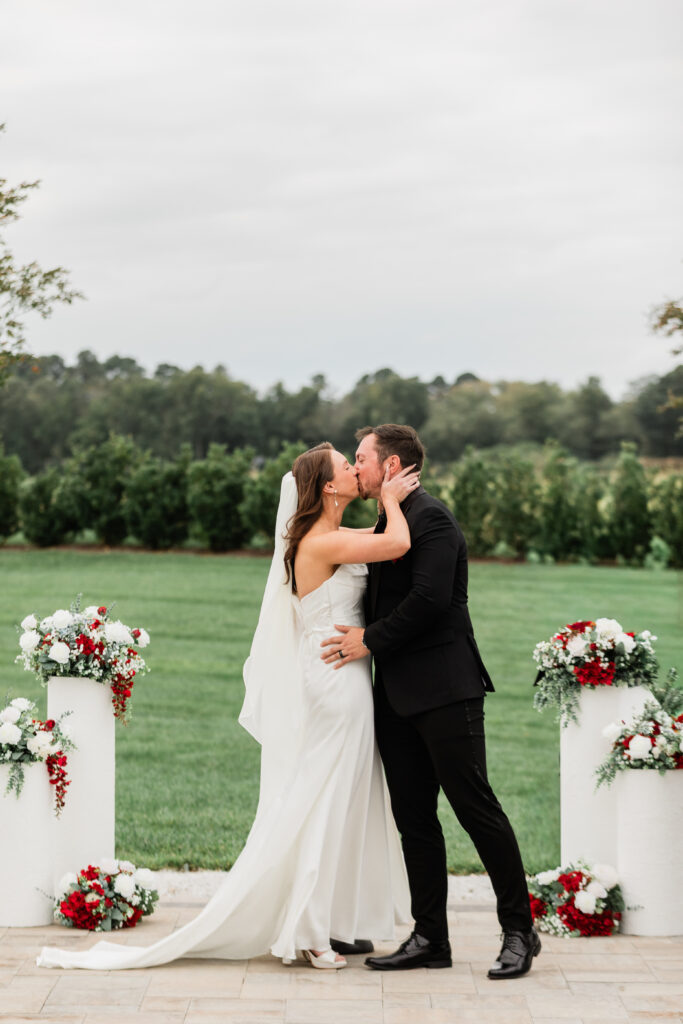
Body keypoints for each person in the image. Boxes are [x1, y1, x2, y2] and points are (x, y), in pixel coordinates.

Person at [37, 443, 417, 972]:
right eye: (345, 468)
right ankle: (308, 930)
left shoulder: (333, 535)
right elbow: (396, 543)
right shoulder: (319, 541)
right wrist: (394, 499)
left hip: (348, 678)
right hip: (332, 682)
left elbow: (382, 543)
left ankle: (326, 916)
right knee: (324, 803)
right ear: (328, 487)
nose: (356, 470)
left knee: (341, 799)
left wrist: (386, 507)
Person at [321, 424, 541, 980]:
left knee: (477, 810)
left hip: (446, 690)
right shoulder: (388, 519)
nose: (356, 466)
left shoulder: (433, 519)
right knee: (414, 819)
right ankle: (429, 938)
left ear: (391, 467)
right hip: (394, 697)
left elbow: (429, 600)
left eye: (363, 458)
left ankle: (519, 933)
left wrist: (367, 640)